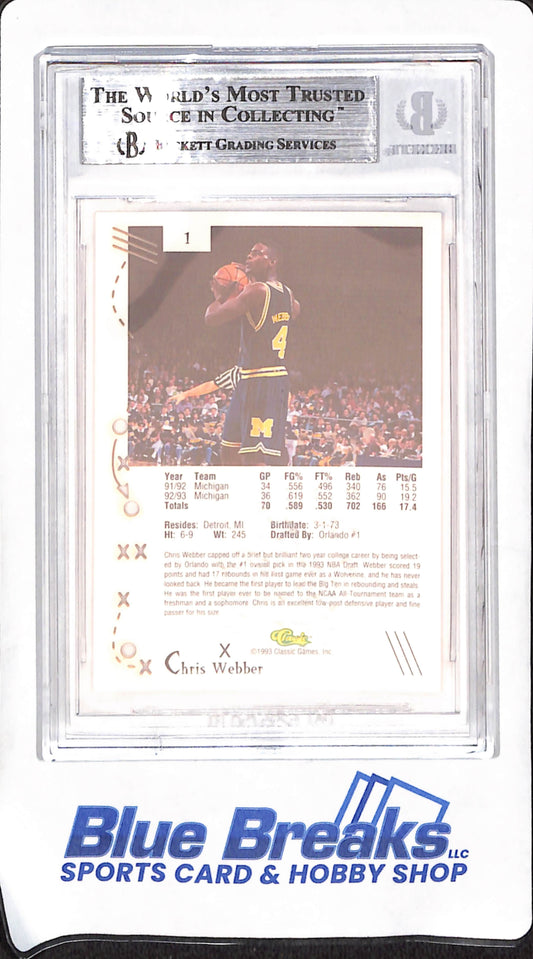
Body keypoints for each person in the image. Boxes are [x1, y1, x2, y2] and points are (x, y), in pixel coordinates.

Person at [205, 242, 300, 465]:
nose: (249, 256)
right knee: (229, 449)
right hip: (251, 378)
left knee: (254, 457)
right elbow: (295, 310)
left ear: (272, 262)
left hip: (265, 379)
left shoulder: (257, 290)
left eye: (257, 254)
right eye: (249, 253)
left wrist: (221, 293)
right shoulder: (288, 294)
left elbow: (211, 318)